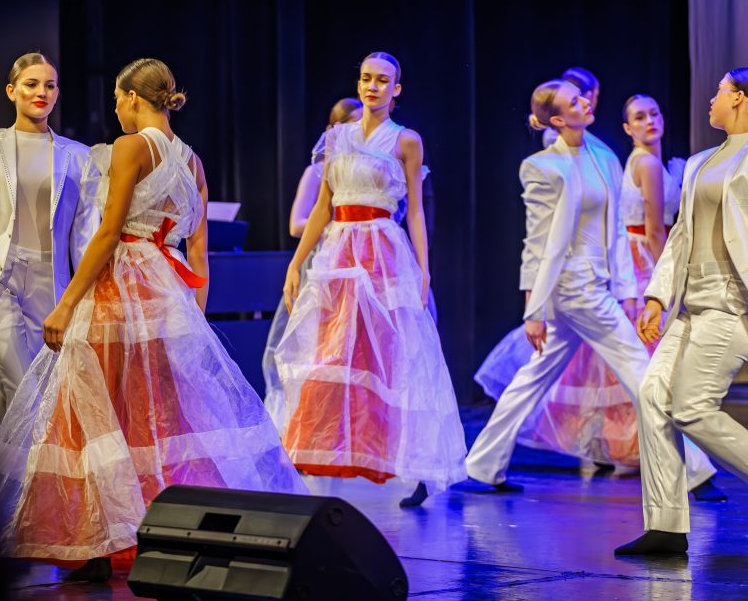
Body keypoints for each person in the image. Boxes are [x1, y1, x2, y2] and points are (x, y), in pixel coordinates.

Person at [0, 58, 305, 581]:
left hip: (121, 287)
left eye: (117, 99)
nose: (115, 109)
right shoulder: (192, 160)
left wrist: (66, 304)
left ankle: (96, 540)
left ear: (133, 97)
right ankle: (165, 532)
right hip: (167, 294)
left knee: (96, 407)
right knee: (159, 415)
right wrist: (191, 316)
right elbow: (198, 250)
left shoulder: (131, 147)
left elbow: (109, 232)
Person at [464, 79, 716, 492]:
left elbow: (616, 227)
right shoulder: (542, 167)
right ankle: (695, 471)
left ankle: (482, 466)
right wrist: (533, 309)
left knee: (534, 377)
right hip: (572, 288)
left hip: (595, 284)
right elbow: (537, 242)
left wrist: (629, 290)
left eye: (582, 97)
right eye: (574, 101)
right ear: (558, 120)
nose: (585, 101)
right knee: (640, 370)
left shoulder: (603, 156)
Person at [275, 51, 467, 508]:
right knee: (330, 352)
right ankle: (320, 452)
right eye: (366, 78)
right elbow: (323, 206)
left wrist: (424, 268)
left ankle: (416, 465)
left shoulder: (406, 140)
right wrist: (295, 263)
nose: (372, 86)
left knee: (397, 354)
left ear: (396, 88)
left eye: (382, 80)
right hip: (339, 251)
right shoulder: (337, 137)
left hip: (382, 252)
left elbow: (414, 211)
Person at [616, 68, 748, 556]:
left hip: (732, 305)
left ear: (740, 99)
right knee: (652, 394)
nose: (712, 99)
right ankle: (667, 525)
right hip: (690, 305)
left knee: (691, 407)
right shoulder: (698, 162)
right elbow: (679, 237)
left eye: (720, 91)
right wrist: (657, 296)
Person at [0, 52, 97, 457]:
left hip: (51, 287)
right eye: (31, 84)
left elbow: (84, 236)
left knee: (0, 399)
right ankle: (34, 490)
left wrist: (86, 300)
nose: (41, 92)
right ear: (12, 91)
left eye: (50, 85)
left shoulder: (79, 155)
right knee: (28, 395)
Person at [261, 97, 362, 429]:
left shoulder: (364, 169)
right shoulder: (318, 171)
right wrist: (340, 219)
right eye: (352, 124)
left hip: (351, 264)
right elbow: (297, 224)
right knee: (307, 346)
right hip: (321, 262)